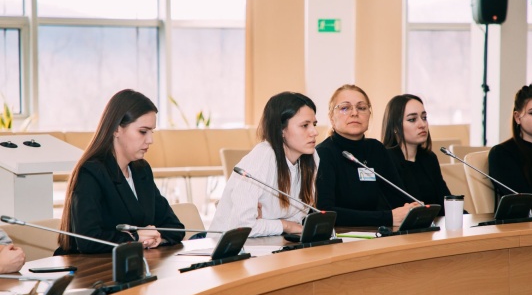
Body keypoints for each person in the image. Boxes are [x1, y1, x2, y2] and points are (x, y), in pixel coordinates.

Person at [56, 89, 185, 254]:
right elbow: (88, 240)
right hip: (91, 267)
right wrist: (135, 238)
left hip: (132, 263)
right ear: (116, 129)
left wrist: (158, 237)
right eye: (143, 131)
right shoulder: (91, 173)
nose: (150, 140)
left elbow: (175, 227)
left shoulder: (141, 170)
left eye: (151, 132)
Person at [209, 91, 319, 237]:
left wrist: (266, 223)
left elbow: (298, 218)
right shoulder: (262, 157)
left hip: (273, 241)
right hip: (227, 246)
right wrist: (285, 225)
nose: (314, 132)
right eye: (305, 125)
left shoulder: (312, 157)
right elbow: (241, 226)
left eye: (314, 124)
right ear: (281, 130)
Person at [316, 84, 420, 227]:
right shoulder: (323, 153)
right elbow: (325, 212)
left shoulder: (376, 149)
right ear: (331, 118)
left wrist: (411, 209)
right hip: (342, 235)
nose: (354, 113)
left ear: (369, 114)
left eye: (361, 108)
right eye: (345, 108)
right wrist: (387, 218)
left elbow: (399, 199)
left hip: (379, 232)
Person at [381, 94, 454, 215]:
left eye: (424, 118)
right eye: (412, 119)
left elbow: (446, 203)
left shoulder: (429, 158)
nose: (422, 124)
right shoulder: (385, 159)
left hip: (433, 225)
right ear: (395, 127)